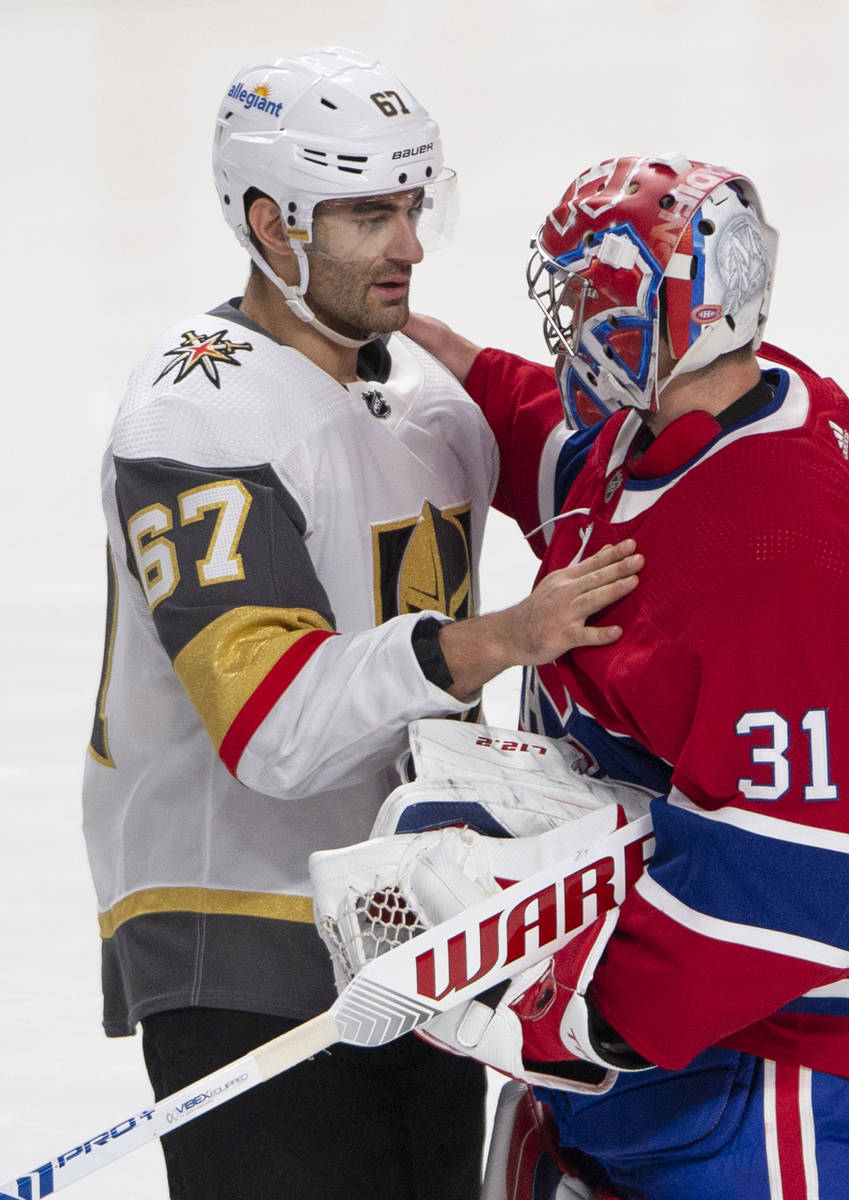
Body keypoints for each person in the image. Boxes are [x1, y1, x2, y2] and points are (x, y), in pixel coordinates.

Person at [81, 49, 641, 1200]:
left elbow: (617, 504)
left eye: (413, 204)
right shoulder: (199, 412)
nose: (410, 245)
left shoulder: (430, 403)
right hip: (238, 934)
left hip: (417, 934)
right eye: (367, 214)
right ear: (269, 223)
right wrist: (489, 643)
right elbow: (273, 728)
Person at [403, 154, 849, 1199]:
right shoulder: (701, 414)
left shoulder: (773, 541)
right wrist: (452, 363)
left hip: (791, 1067)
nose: (566, 325)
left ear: (654, 309)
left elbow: (817, 874)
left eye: (584, 297)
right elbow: (585, 465)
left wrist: (583, 1017)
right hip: (684, 1053)